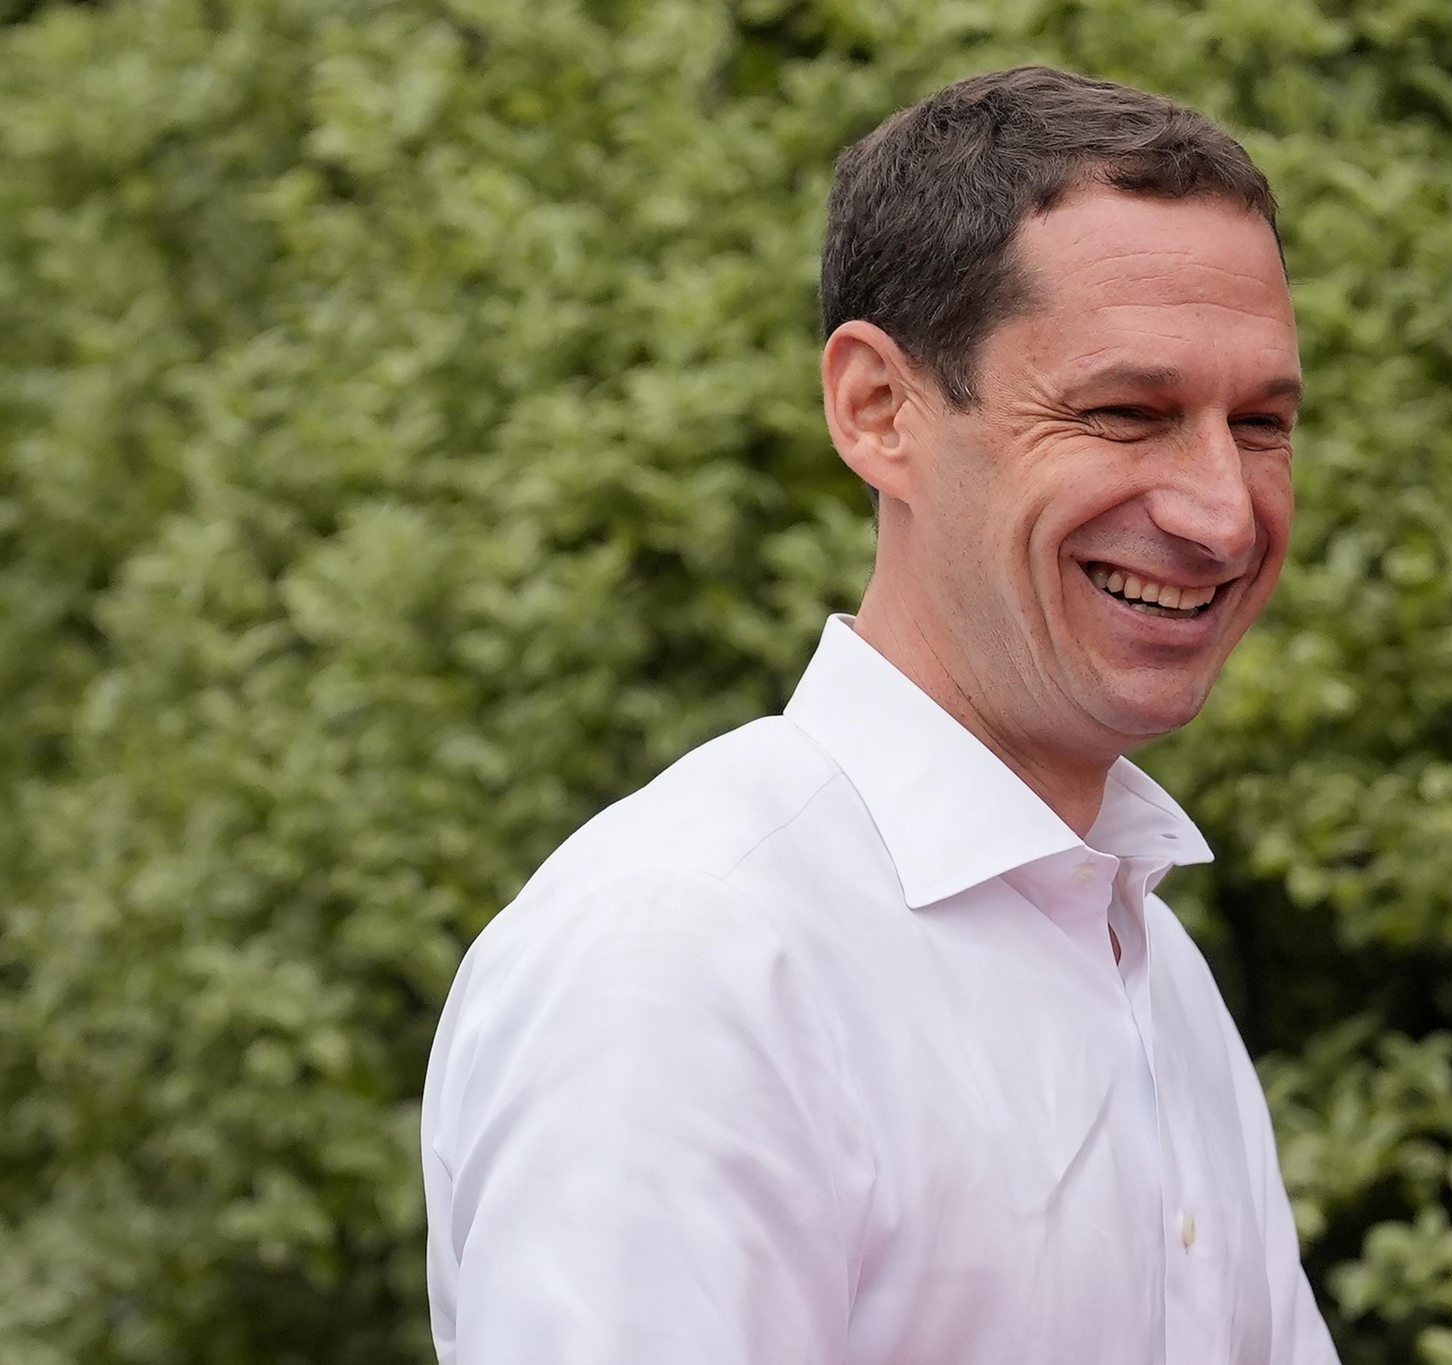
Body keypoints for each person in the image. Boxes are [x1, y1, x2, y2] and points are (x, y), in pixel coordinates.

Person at [421, 64, 1336, 1365]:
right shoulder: (690, 956)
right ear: (877, 410)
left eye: (1260, 424)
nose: (1221, 510)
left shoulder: (1152, 971)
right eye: (1125, 414)